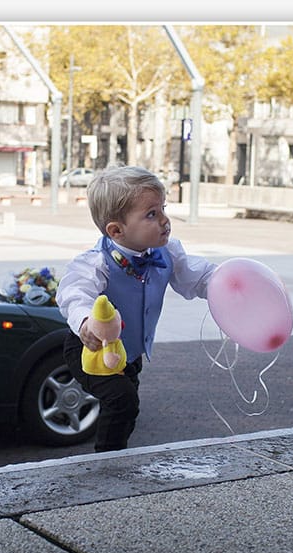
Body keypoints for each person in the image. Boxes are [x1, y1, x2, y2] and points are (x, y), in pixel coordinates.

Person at [55, 165, 216, 453]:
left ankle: (118, 454)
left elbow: (198, 278)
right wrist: (84, 322)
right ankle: (106, 463)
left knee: (127, 410)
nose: (165, 221)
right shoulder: (96, 262)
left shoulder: (168, 252)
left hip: (129, 353)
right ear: (116, 230)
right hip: (90, 349)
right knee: (122, 402)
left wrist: (227, 284)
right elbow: (73, 293)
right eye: (151, 214)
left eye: (163, 209)